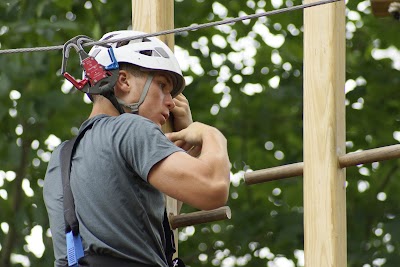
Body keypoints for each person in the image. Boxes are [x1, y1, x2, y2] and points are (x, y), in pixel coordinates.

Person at [43, 30, 230, 267]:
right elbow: (213, 188)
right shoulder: (130, 128)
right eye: (162, 85)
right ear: (123, 81)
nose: (171, 101)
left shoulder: (61, 157)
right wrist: (210, 134)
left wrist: (187, 150)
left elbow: (152, 214)